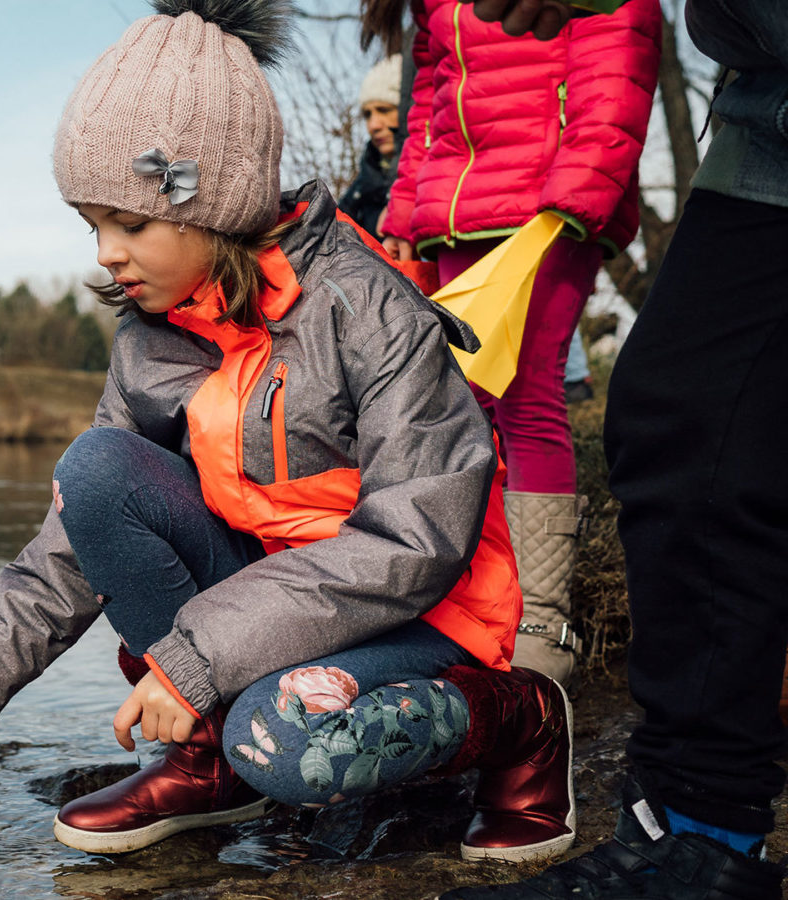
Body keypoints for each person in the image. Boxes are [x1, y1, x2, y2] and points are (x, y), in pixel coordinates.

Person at [0, 0, 576, 865]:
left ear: (212, 199)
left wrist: (192, 661)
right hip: (272, 603)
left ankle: (521, 722)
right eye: (92, 224)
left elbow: (415, 541)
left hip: (423, 611)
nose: (104, 255)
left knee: (286, 739)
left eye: (131, 223)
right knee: (96, 473)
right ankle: (216, 758)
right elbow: (68, 554)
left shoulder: (368, 307)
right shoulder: (151, 338)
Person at [439, 0, 788, 897]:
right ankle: (691, 826)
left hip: (573, 195)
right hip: (766, 117)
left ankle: (552, 635)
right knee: (681, 414)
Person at [368, 0, 661, 688]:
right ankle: (472, 598)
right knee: (458, 404)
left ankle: (544, 619)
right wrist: (407, 206)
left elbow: (618, 54)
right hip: (454, 211)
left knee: (527, 395)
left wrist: (580, 191)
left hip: (546, 201)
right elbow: (430, 103)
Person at [338, 53, 404, 241]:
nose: (374, 125)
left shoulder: (431, 178)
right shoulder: (362, 186)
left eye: (384, 110)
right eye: (367, 114)